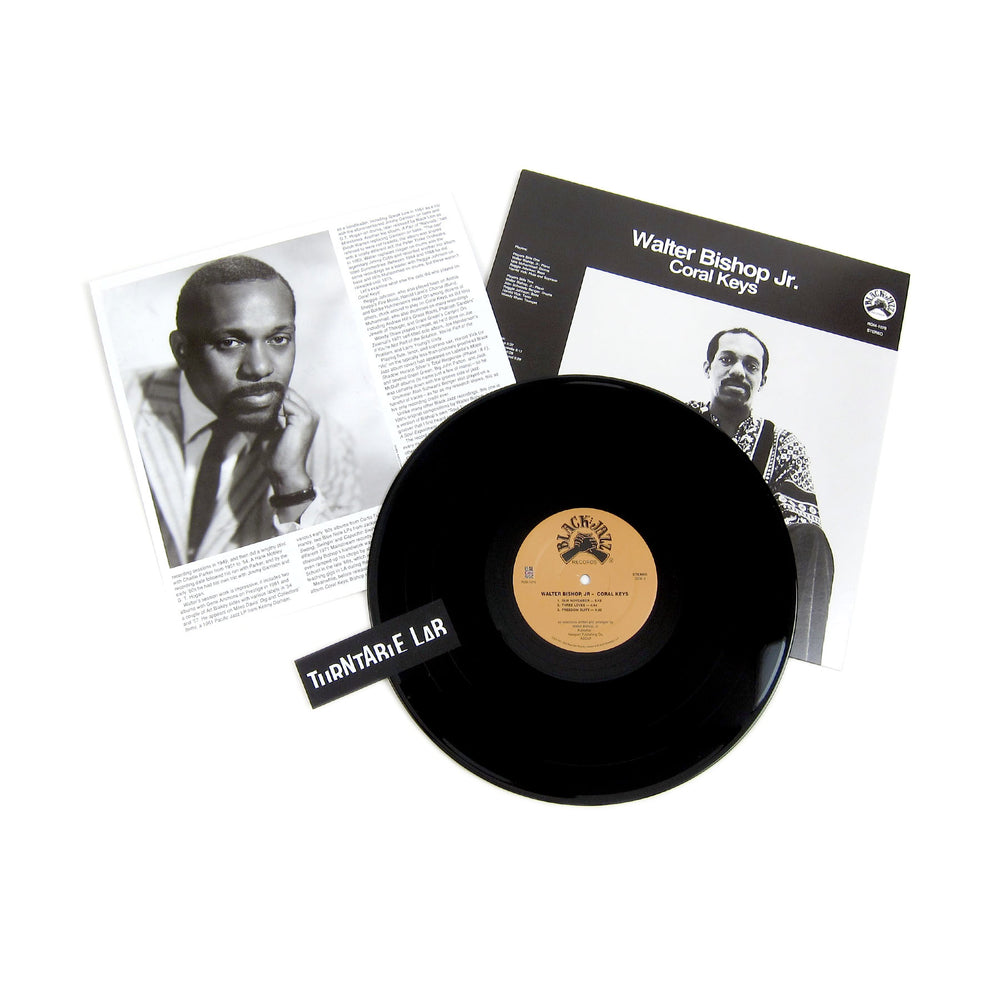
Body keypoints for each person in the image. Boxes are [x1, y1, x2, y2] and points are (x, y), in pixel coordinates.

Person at [124, 254, 359, 567]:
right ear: (182, 350)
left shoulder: (329, 445)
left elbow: (336, 571)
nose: (260, 368)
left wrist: (292, 484)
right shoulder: (125, 403)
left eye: (279, 339)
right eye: (230, 342)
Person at [689, 328, 834, 663]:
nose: (738, 371)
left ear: (762, 380)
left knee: (811, 540)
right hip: (675, 559)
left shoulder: (784, 446)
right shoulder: (674, 420)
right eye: (727, 359)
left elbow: (799, 528)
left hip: (748, 575)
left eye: (751, 365)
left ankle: (794, 668)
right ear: (708, 367)